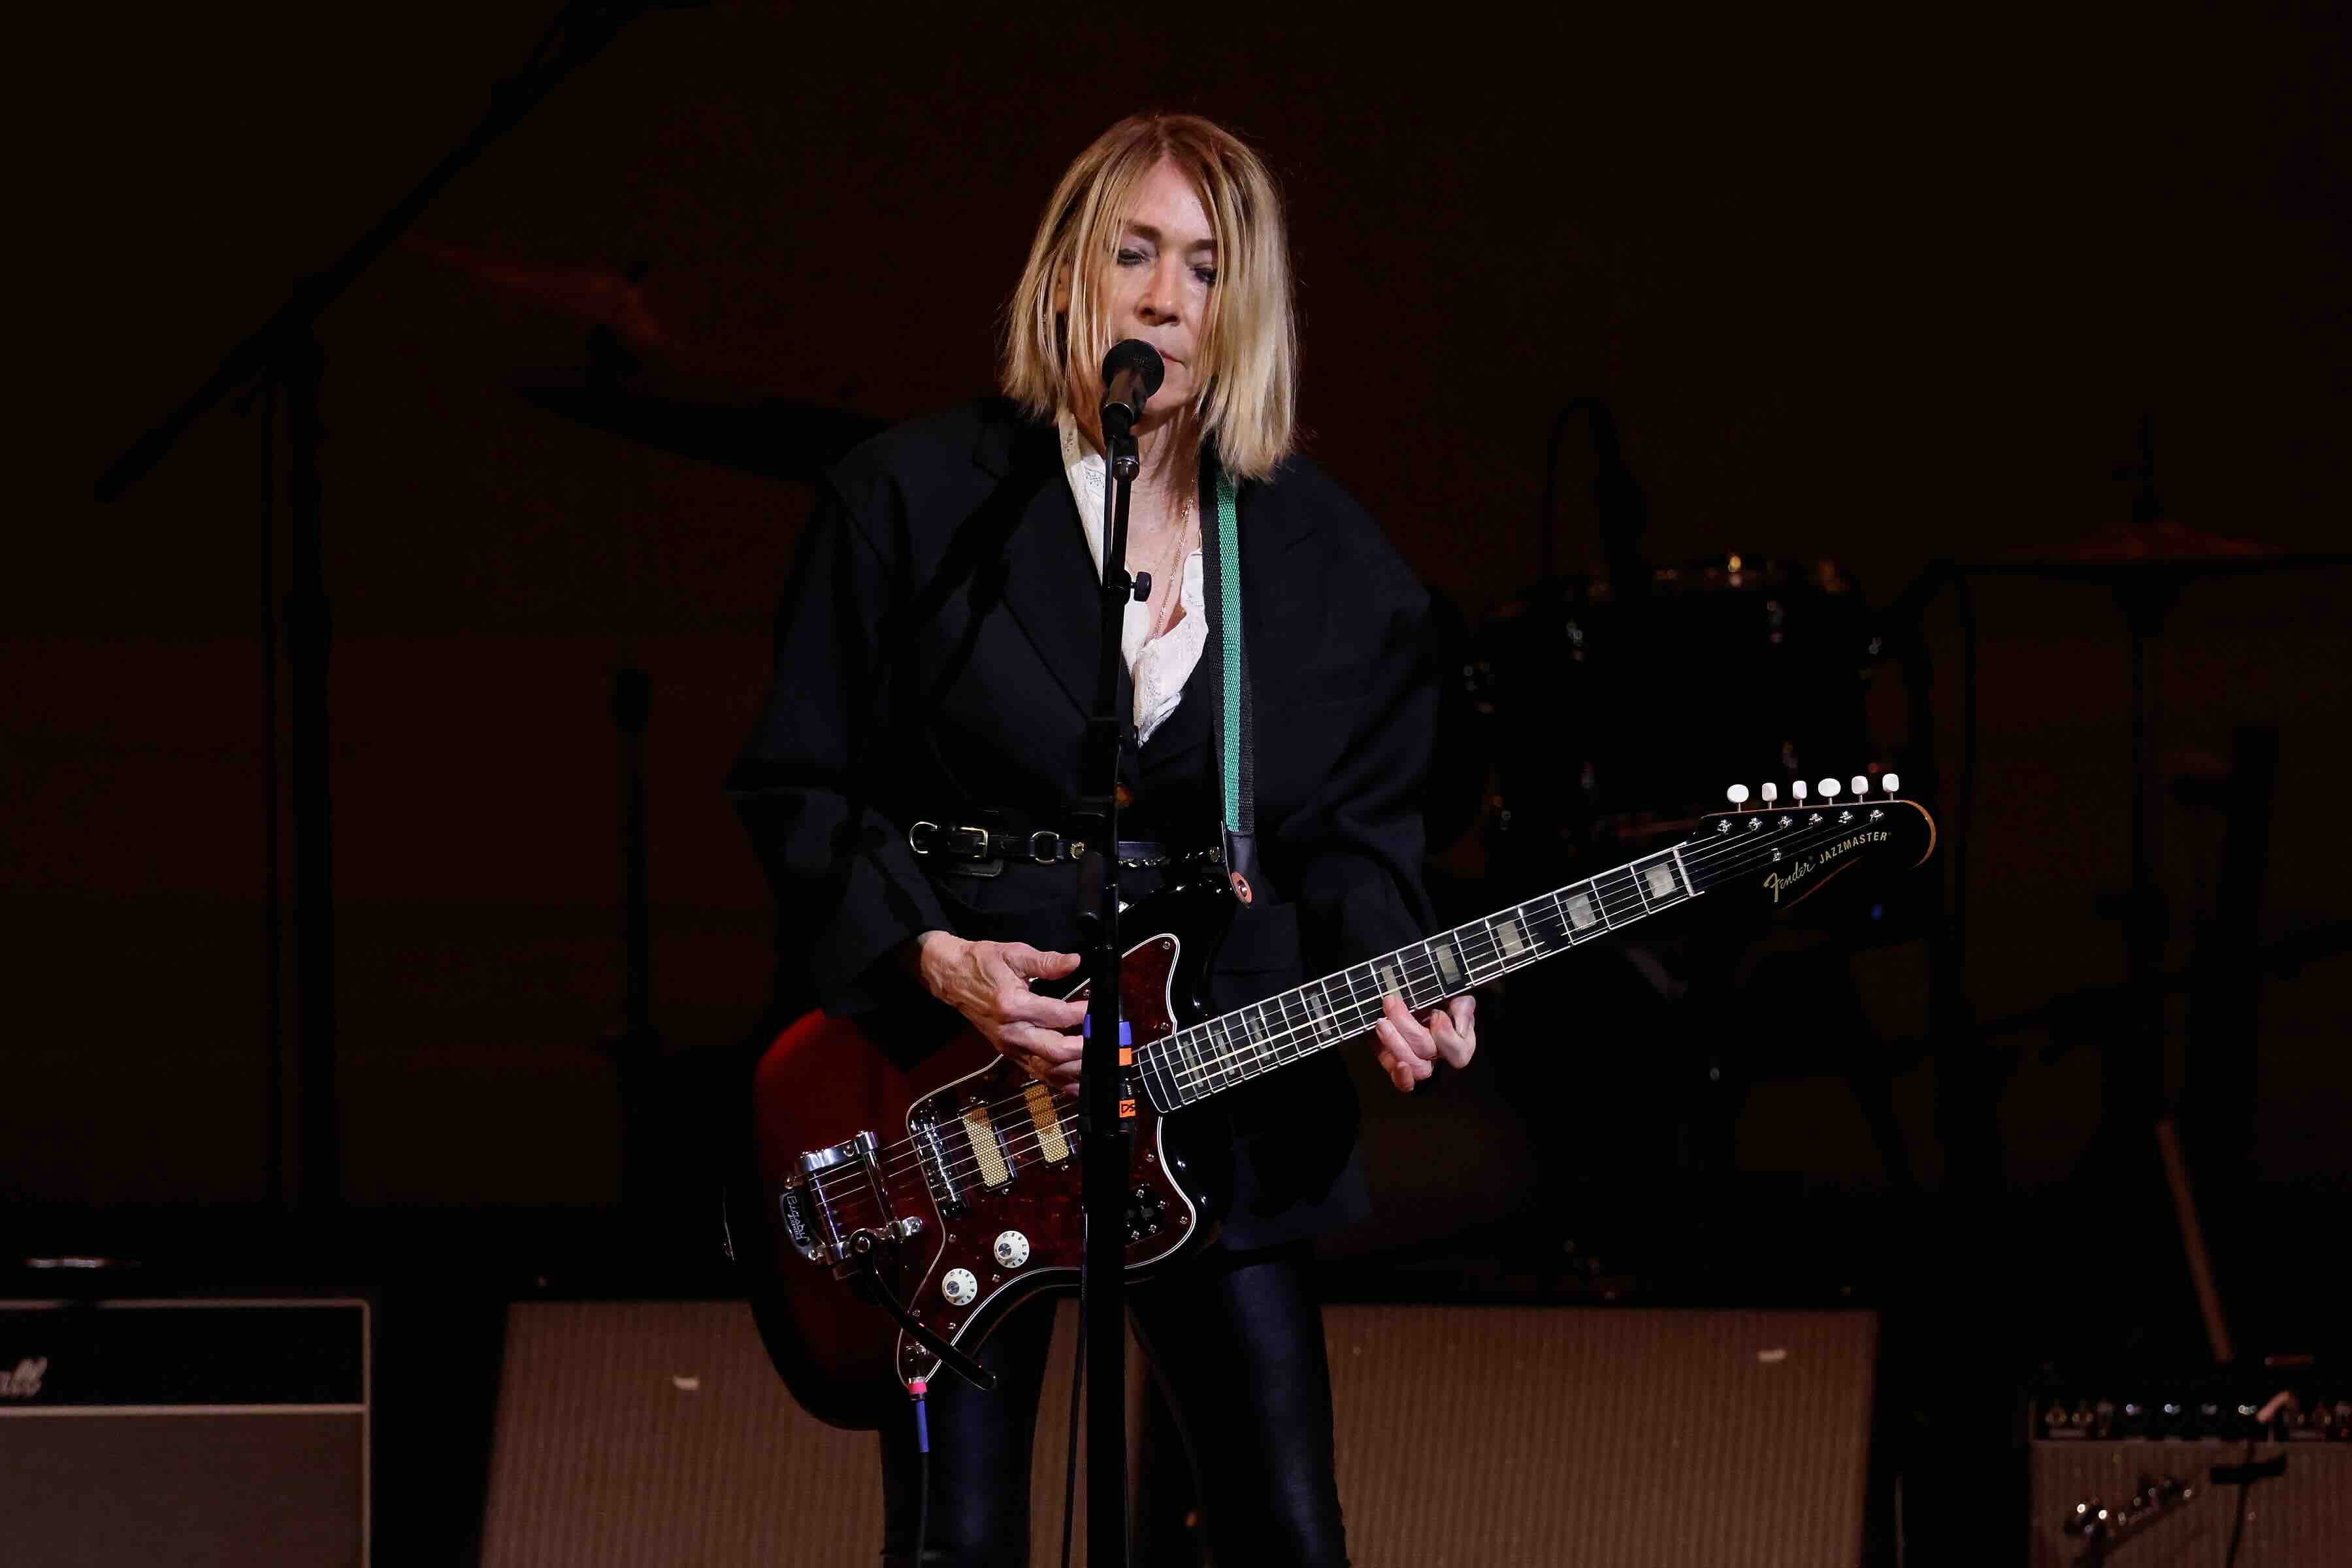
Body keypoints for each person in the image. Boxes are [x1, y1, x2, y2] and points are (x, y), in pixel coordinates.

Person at [730, 112, 1475, 1568]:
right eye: (1134, 253)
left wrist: (1401, 965)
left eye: (1204, 266)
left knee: (1286, 1534)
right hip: (955, 1089)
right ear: (1068, 268)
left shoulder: (1326, 557)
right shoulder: (911, 499)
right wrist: (932, 957)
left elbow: (1359, 829)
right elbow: (799, 786)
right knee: (961, 1545)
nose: (1164, 299)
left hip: (1216, 1083)